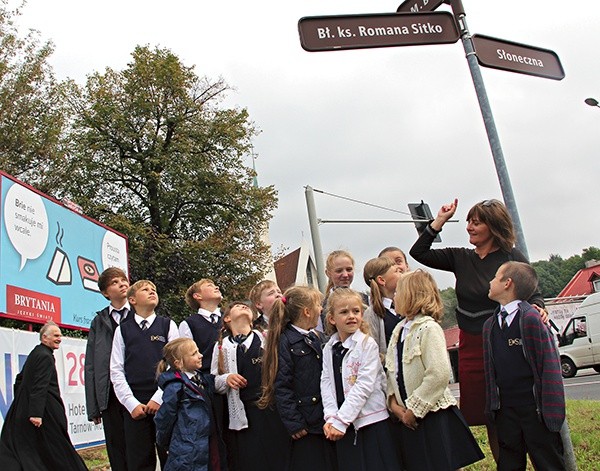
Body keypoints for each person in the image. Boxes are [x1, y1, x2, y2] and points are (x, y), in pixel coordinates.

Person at [409, 198, 545, 456]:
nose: (469, 227)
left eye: (476, 222)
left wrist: (539, 307)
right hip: (471, 343)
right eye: (469, 221)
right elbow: (419, 253)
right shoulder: (460, 257)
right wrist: (439, 221)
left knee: (513, 409)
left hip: (504, 344)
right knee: (489, 413)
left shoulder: (510, 257)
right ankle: (504, 463)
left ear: (493, 227)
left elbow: (532, 290)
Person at [386, 270, 484, 470]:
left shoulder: (428, 328)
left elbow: (438, 373)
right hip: (406, 417)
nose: (394, 296)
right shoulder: (398, 330)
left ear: (412, 295)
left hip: (432, 415)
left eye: (398, 291)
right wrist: (394, 404)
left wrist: (415, 409)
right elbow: (392, 369)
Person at [484, 261, 566, 470]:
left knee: (548, 462)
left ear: (507, 283)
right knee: (509, 463)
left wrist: (552, 413)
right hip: (506, 412)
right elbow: (490, 372)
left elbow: (550, 368)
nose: (490, 281)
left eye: (495, 277)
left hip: (535, 411)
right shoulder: (490, 326)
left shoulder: (531, 319)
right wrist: (493, 408)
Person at [257, 286, 336, 471]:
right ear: (307, 312)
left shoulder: (318, 337)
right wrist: (294, 423)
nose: (321, 309)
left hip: (322, 418)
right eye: (318, 305)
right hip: (306, 422)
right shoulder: (286, 341)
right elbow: (281, 385)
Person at [321, 288, 401, 470]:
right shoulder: (329, 348)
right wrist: (331, 417)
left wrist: (342, 420)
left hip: (371, 422)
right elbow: (326, 383)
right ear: (332, 318)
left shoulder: (367, 344)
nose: (351, 316)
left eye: (356, 311)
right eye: (344, 312)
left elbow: (364, 385)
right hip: (344, 425)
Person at [110, 280, 179, 471]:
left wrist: (159, 397)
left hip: (165, 400)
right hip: (135, 404)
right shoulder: (122, 329)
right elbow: (116, 370)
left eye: (154, 290)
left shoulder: (167, 325)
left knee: (172, 456)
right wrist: (131, 404)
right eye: (145, 290)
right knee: (138, 460)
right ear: (132, 300)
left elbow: (175, 364)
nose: (151, 292)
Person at [0, 321, 88, 470]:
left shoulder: (36, 352)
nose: (59, 338)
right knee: (58, 449)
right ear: (44, 338)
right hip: (46, 413)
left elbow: (19, 379)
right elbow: (40, 385)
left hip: (32, 410)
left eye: (60, 335)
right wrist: (36, 413)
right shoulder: (45, 356)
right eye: (55, 335)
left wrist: (22, 402)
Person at [212, 302, 288, 470]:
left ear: (253, 318)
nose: (244, 306)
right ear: (227, 318)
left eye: (247, 306)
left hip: (270, 410)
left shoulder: (266, 338)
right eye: (237, 306)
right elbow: (215, 381)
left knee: (277, 458)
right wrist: (226, 378)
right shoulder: (221, 347)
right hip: (242, 415)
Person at [155, 338, 226, 471]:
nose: (200, 355)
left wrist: (228, 378)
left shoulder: (201, 379)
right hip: (187, 450)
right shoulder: (175, 387)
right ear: (179, 363)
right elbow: (164, 419)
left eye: (198, 351)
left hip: (209, 443)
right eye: (194, 354)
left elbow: (215, 382)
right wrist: (166, 443)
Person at [84, 267, 130, 471]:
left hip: (137, 392)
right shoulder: (99, 321)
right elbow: (92, 365)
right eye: (114, 282)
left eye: (123, 280)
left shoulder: (142, 316)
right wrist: (94, 405)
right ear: (105, 292)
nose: (122, 284)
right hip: (110, 395)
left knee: (140, 447)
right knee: (116, 448)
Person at [362, 256, 405, 358]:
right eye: (397, 271)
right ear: (381, 280)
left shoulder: (405, 307)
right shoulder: (372, 314)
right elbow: (372, 351)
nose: (402, 274)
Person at [180, 279, 224, 373]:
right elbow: (187, 358)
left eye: (215, 285)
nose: (217, 287)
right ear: (197, 296)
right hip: (205, 380)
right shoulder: (189, 324)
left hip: (237, 378)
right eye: (209, 286)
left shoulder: (230, 318)